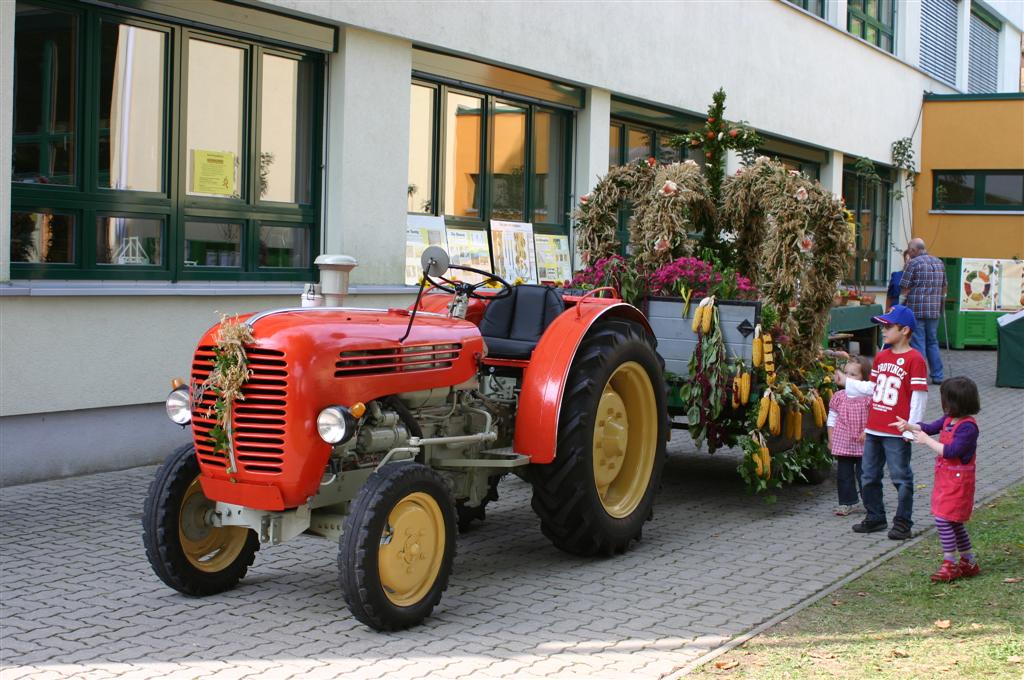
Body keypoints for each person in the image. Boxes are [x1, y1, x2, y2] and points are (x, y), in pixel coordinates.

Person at [834, 305, 929, 540]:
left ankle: (903, 522)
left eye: (888, 326)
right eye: (883, 325)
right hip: (875, 427)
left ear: (905, 330)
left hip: (896, 431)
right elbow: (874, 388)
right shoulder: (882, 356)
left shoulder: (915, 359)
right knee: (868, 475)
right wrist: (848, 382)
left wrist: (912, 427)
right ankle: (875, 516)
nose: (883, 330)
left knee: (900, 477)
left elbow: (919, 395)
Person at [893, 377, 981, 582]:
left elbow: (950, 451)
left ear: (955, 402)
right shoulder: (949, 419)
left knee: (943, 520)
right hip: (946, 479)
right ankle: (968, 560)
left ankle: (950, 563)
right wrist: (910, 426)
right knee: (953, 522)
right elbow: (929, 426)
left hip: (959, 483)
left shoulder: (968, 427)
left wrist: (926, 441)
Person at [827, 355, 872, 516]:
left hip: (863, 442)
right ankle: (847, 502)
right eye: (846, 373)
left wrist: (867, 431)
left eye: (853, 375)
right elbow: (832, 417)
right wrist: (831, 437)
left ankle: (870, 501)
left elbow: (875, 416)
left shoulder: (868, 398)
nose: (848, 378)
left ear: (865, 377)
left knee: (865, 474)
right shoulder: (839, 396)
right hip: (843, 440)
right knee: (843, 475)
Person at [900, 238, 946, 384]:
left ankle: (919, 376)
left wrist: (901, 303)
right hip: (934, 310)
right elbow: (945, 287)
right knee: (932, 341)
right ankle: (938, 375)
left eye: (910, 251)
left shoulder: (913, 263)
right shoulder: (939, 262)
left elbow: (905, 288)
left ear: (913, 251)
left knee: (918, 342)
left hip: (916, 309)